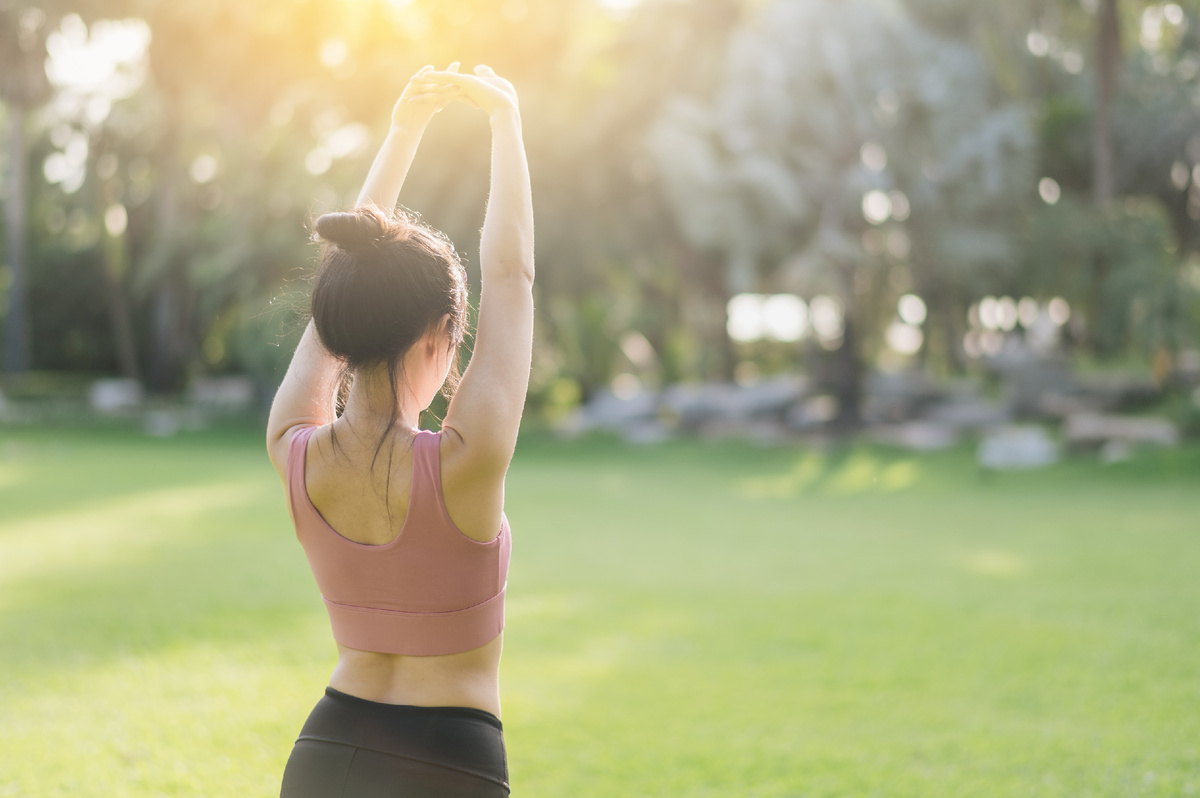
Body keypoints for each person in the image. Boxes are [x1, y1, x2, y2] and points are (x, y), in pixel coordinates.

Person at [264, 61, 534, 797]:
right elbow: (512, 276)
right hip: (446, 766)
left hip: (324, 753)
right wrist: (506, 123)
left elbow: (341, 284)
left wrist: (401, 134)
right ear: (439, 338)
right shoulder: (466, 462)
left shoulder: (292, 448)